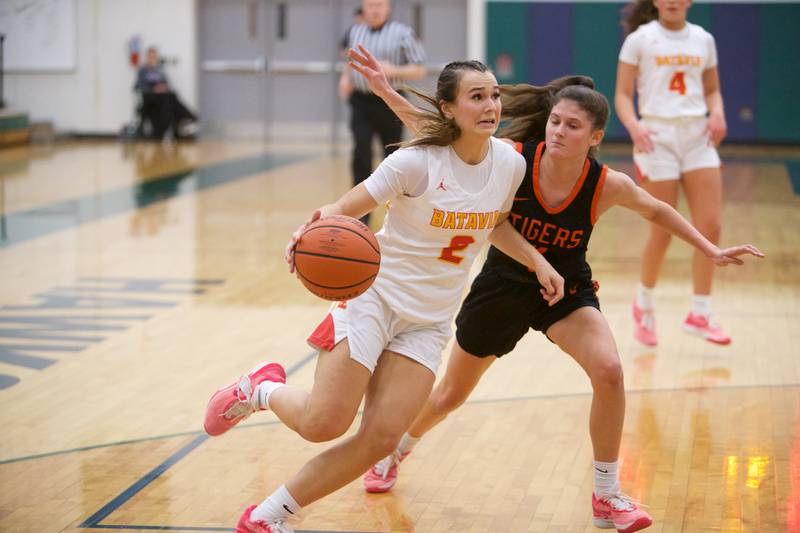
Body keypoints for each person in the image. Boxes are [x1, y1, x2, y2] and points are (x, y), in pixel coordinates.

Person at [348, 46, 763, 533]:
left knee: (609, 370)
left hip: (565, 291)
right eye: (556, 122)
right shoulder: (513, 160)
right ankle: (396, 451)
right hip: (502, 284)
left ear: (595, 137)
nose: (559, 131)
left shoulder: (606, 184)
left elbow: (658, 210)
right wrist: (385, 91)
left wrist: (709, 248)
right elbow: (441, 139)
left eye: (572, 126)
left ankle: (607, 494)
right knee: (449, 396)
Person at [203, 57, 566, 533]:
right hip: (374, 300)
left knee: (380, 438)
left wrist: (538, 260)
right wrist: (305, 232)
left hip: (430, 320)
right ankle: (261, 389)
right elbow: (343, 208)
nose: (491, 104)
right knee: (323, 424)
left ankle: (268, 517)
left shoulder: (510, 164)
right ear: (449, 107)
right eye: (477, 96)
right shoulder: (414, 162)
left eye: (494, 94)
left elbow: (493, 224)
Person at [615, 0, 729, 346]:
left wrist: (718, 113)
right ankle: (644, 305)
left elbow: (712, 89)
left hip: (697, 135)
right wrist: (634, 126)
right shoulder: (640, 39)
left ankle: (700, 311)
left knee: (710, 225)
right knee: (663, 230)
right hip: (656, 137)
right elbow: (622, 94)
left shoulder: (703, 39)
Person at [338, 0, 427, 226]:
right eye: (370, 5)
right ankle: (360, 214)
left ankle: (395, 211)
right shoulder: (355, 31)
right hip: (361, 102)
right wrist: (346, 77)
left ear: (388, 8)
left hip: (390, 101)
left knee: (393, 156)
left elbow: (419, 69)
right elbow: (351, 62)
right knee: (361, 153)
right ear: (364, 8)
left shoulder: (403, 33)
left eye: (379, 5)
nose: (375, 9)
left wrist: (393, 70)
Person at [135, 47, 198, 141]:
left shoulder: (160, 70)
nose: (152, 59)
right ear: (147, 57)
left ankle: (174, 124)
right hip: (150, 97)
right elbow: (141, 86)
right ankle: (189, 117)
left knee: (170, 97)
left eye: (154, 57)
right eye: (150, 57)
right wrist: (153, 89)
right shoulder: (143, 71)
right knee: (170, 98)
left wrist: (163, 87)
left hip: (163, 96)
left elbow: (167, 84)